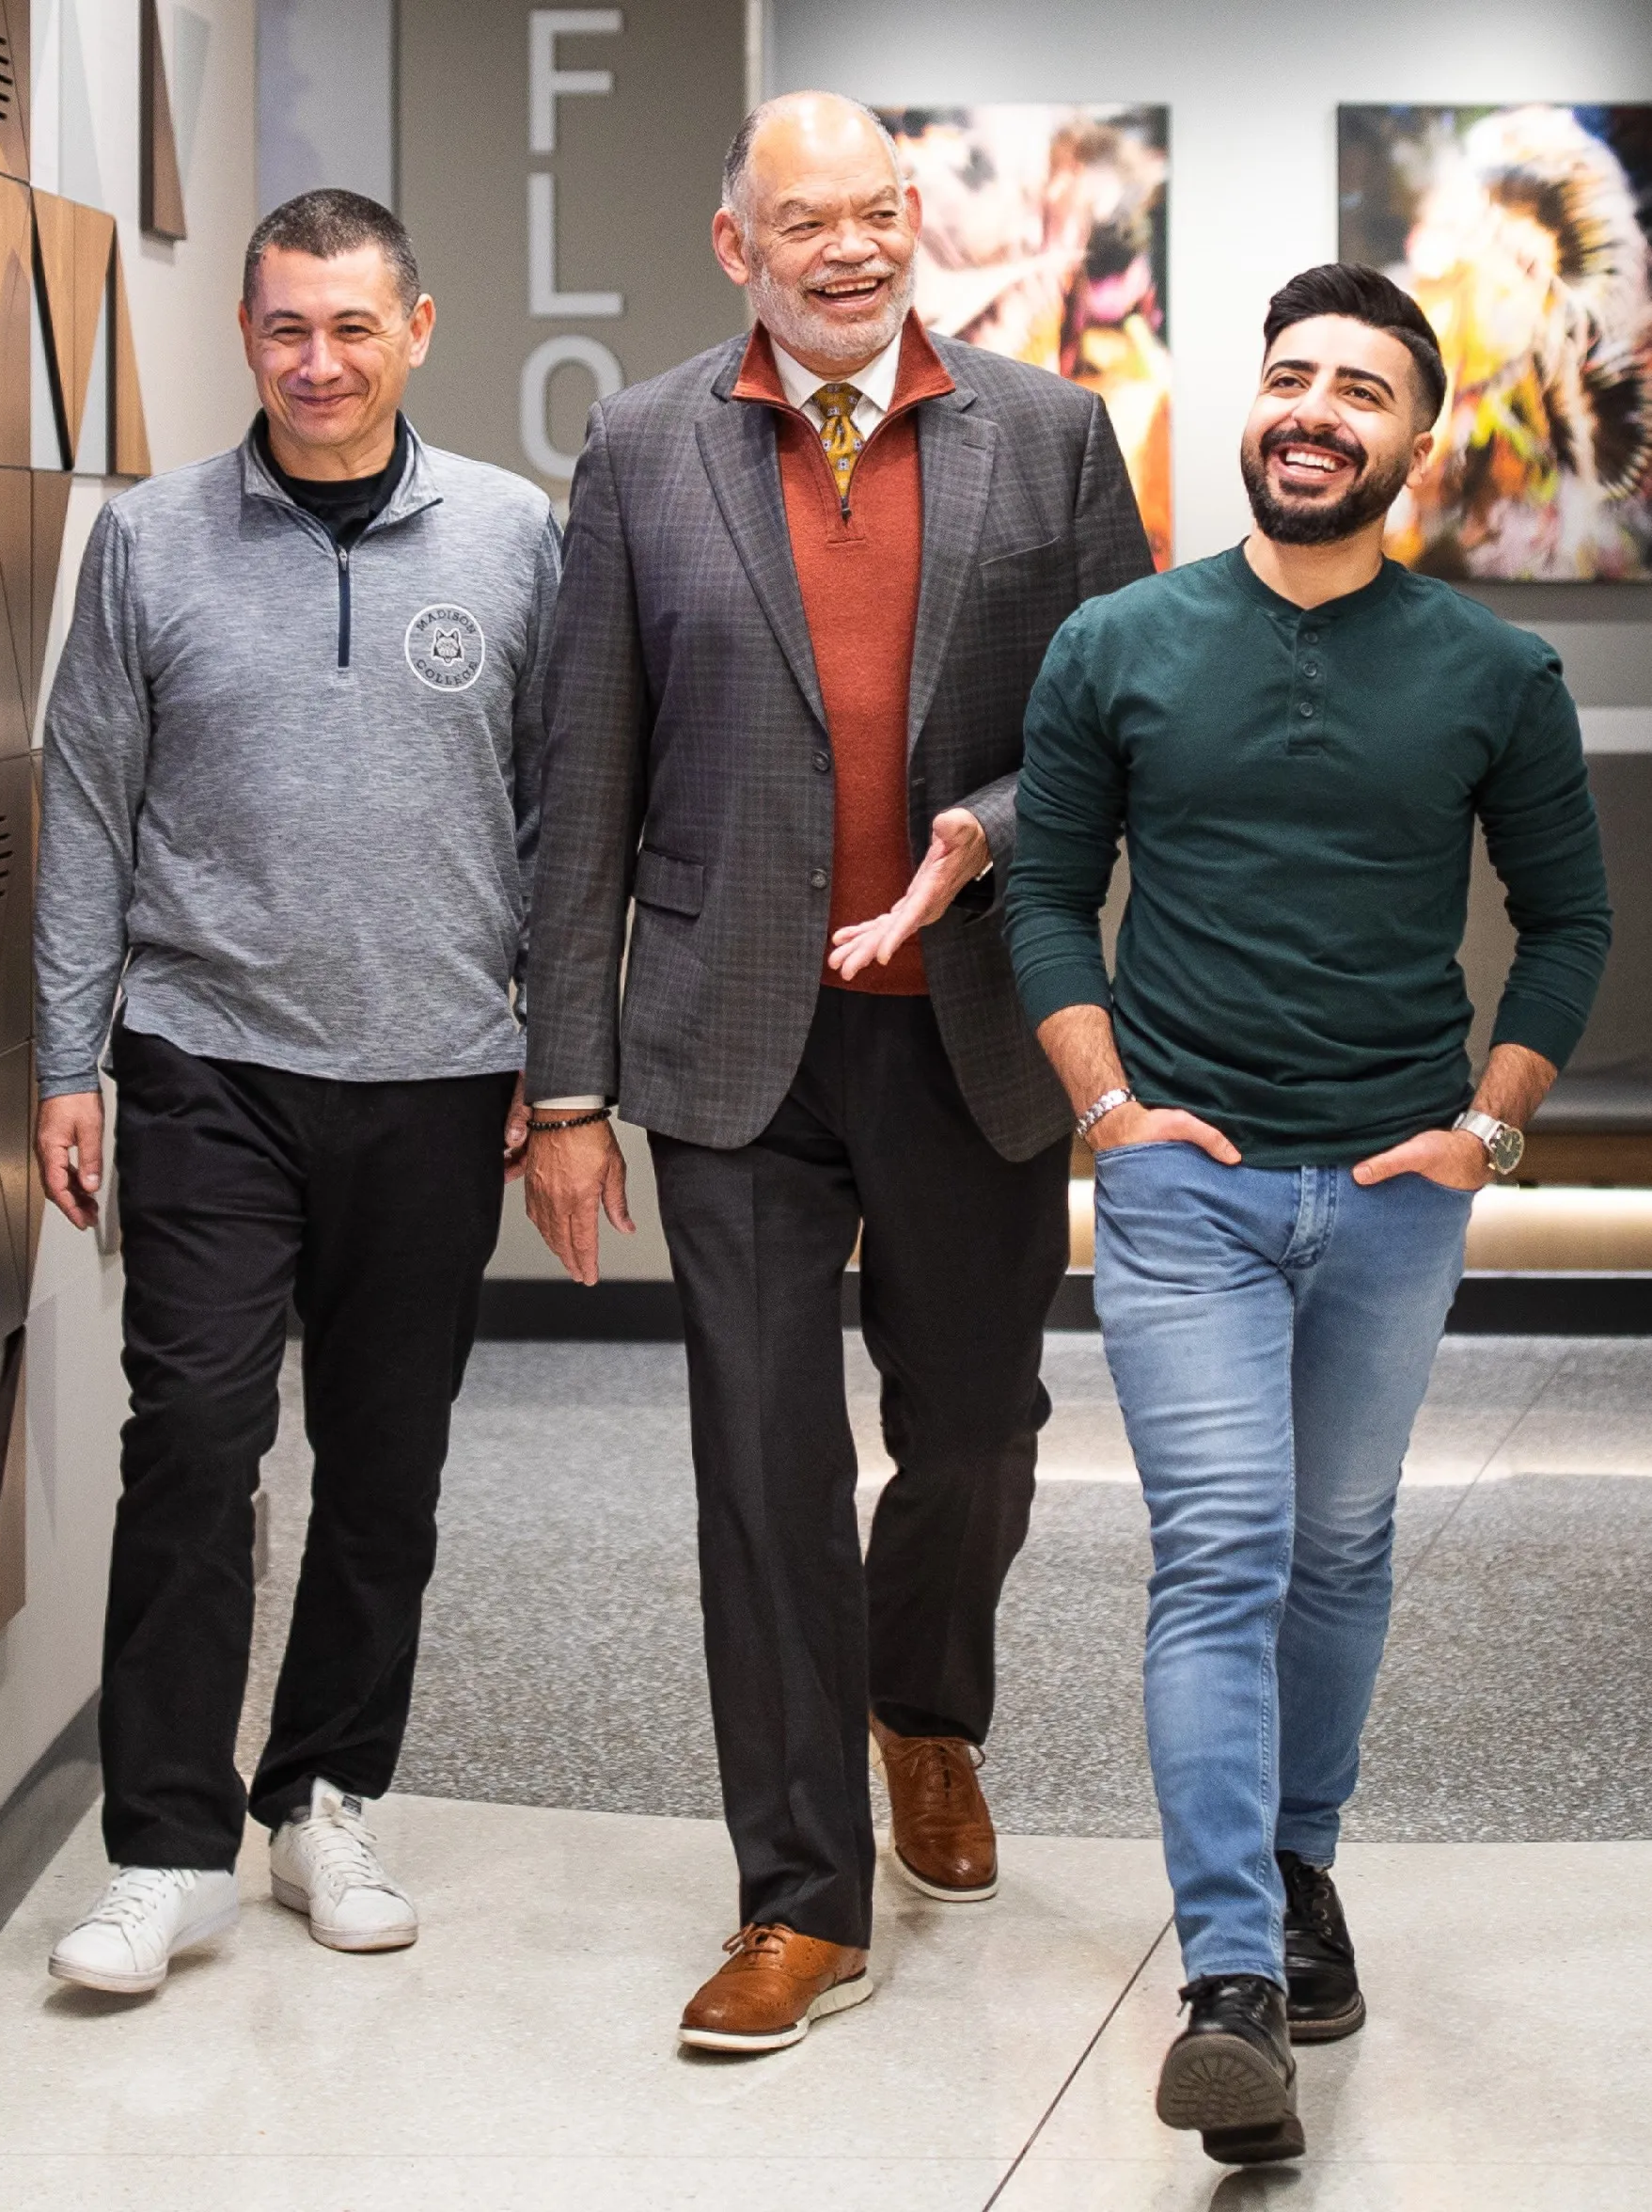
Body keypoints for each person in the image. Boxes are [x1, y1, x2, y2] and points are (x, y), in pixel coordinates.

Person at [522, 91, 1151, 2053]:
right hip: (732, 1046)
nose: (851, 248)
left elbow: (1117, 737)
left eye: (877, 211)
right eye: (806, 222)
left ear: (912, 221)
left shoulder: (1048, 435)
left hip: (970, 1028)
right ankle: (796, 1898)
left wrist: (974, 834)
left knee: (972, 1433)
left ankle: (922, 1711)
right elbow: (584, 783)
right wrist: (563, 1090)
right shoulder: (639, 449)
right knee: (761, 1456)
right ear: (739, 246)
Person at [1006, 263, 1611, 2164]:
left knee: (1340, 1547)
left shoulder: (1491, 673)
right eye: (1289, 376)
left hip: (1391, 1188)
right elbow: (1045, 894)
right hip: (1183, 1189)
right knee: (1224, 1548)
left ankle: (1294, 1864)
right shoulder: (1116, 644)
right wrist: (1108, 1111)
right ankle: (1230, 1983)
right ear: (1250, 406)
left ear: (1415, 438)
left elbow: (1569, 921)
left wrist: (1488, 1129)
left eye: (1359, 388)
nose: (1313, 410)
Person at [33, 191, 559, 1994]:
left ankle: (325, 1797)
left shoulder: (513, 534)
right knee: (191, 1438)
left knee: (385, 1463)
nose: (317, 363)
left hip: (435, 1070)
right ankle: (166, 1849)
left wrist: (559, 1060)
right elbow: (86, 810)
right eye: (284, 328)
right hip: (206, 1063)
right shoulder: (150, 541)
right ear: (245, 335)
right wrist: (67, 1061)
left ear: (418, 328)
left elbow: (563, 818)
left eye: (351, 327)